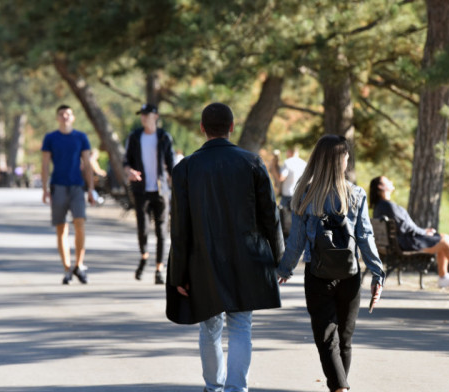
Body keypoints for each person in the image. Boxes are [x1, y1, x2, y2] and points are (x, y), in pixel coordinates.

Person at [167, 103, 284, 392]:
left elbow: (179, 226)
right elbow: (271, 214)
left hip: (202, 260)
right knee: (241, 325)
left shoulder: (185, 169)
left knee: (209, 326)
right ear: (232, 127)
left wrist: (178, 273)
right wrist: (279, 258)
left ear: (202, 128)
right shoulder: (253, 163)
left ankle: (214, 386)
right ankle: (236, 388)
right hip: (247, 257)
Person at [278, 136, 384, 392]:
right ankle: (341, 387)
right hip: (350, 275)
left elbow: (297, 240)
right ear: (341, 160)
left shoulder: (306, 193)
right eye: (346, 155)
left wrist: (285, 268)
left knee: (327, 340)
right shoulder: (356, 194)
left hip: (317, 274)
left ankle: (340, 388)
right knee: (344, 341)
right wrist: (377, 273)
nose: (348, 159)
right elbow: (364, 237)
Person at [369, 176, 449, 288]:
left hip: (400, 242)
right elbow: (405, 227)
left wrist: (423, 231)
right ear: (380, 186)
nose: (391, 181)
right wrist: (424, 232)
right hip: (406, 244)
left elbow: (404, 226)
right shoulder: (387, 206)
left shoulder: (380, 206)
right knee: (445, 241)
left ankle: (444, 277)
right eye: (387, 181)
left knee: (444, 237)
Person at [41, 104, 95, 285]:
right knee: (61, 228)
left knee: (80, 223)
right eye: (61, 114)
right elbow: (45, 164)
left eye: (68, 114)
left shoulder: (81, 137)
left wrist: (91, 189)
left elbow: (87, 164)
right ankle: (67, 268)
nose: (65, 117)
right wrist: (44, 189)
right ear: (57, 118)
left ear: (73, 117)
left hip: (77, 186)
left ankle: (79, 264)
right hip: (58, 186)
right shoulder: (51, 138)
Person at [124, 103, 175, 284]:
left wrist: (174, 185)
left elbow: (171, 163)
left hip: (161, 191)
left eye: (147, 114)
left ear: (156, 116)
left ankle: (159, 269)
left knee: (161, 231)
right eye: (142, 115)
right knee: (143, 229)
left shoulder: (163, 137)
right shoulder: (135, 137)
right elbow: (126, 161)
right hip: (141, 190)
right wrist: (129, 171)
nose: (143, 117)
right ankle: (144, 256)